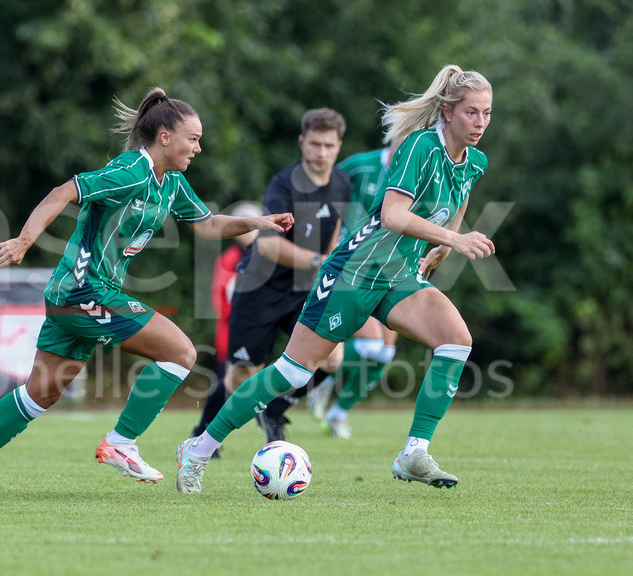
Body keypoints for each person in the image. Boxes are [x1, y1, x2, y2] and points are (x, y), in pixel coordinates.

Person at [0, 87, 294, 496]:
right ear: (164, 137)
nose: (198, 148)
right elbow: (63, 192)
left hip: (75, 296)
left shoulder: (171, 183)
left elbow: (209, 225)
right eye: (192, 139)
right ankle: (121, 442)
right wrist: (23, 241)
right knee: (180, 353)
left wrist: (259, 223)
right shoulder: (132, 171)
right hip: (82, 291)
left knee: (41, 394)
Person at [176, 65, 496, 492]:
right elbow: (392, 215)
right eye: (471, 112)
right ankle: (198, 449)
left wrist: (442, 246)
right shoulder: (420, 145)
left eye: (487, 113)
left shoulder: (474, 162)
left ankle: (413, 453)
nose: (480, 122)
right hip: (354, 272)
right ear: (447, 111)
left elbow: (459, 197)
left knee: (456, 340)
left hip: (397, 275)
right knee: (292, 372)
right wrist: (454, 238)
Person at [223, 108, 351, 444]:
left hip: (302, 288)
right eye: (315, 144)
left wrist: (330, 268)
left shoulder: (341, 183)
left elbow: (334, 230)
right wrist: (320, 261)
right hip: (259, 286)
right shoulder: (284, 184)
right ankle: (206, 435)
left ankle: (274, 410)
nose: (321, 152)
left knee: (332, 356)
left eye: (328, 145)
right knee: (239, 376)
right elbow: (267, 245)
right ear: (302, 142)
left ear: (338, 146)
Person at [306, 139, 404, 439]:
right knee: (370, 344)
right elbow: (324, 190)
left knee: (385, 352)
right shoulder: (362, 166)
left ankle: (338, 413)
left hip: (388, 264)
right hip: (348, 263)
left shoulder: (417, 169)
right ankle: (322, 375)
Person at [188, 201, 263, 458]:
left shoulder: (267, 255)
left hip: (259, 330)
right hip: (232, 333)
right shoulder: (229, 259)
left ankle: (207, 436)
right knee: (228, 385)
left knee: (252, 385)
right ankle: (204, 435)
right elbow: (221, 298)